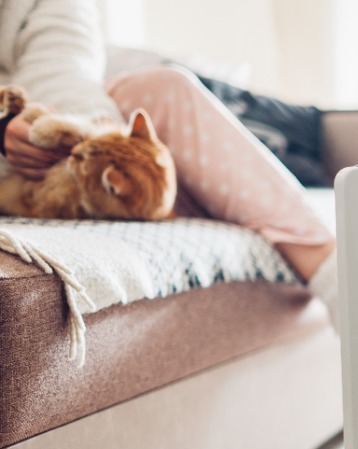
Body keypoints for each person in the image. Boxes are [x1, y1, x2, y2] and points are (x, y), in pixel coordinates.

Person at [0, 0, 336, 286]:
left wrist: (96, 130)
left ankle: (326, 267)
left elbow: (63, 60)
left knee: (167, 86)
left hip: (53, 114)